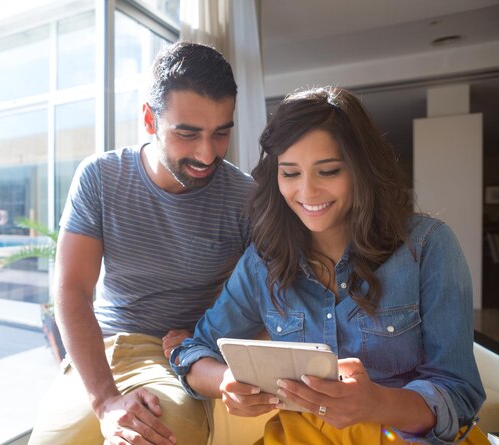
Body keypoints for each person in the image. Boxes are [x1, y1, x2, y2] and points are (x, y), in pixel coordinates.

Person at [171, 87, 490, 445]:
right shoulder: (265, 260)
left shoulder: (428, 246)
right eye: (290, 173)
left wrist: (376, 403)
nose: (307, 192)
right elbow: (194, 352)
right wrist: (226, 381)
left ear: (361, 169)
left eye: (328, 171)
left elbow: (458, 396)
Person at [28, 41, 253, 445]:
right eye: (187, 134)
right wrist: (105, 401)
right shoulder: (100, 177)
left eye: (221, 134)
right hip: (104, 349)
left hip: (177, 357)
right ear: (149, 119)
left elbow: (266, 296)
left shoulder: (244, 197)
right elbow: (72, 290)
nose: (207, 154)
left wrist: (206, 347)